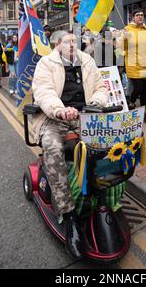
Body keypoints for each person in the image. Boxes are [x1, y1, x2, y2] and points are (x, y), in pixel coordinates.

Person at [32, 30, 108, 258]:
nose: (73, 44)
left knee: (104, 146)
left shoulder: (88, 61)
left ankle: (99, 195)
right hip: (55, 118)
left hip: (85, 117)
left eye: (75, 41)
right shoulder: (46, 63)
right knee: (53, 148)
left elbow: (101, 87)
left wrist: (96, 102)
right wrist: (60, 109)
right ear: (57, 44)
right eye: (68, 41)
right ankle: (69, 214)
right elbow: (43, 91)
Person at [119, 9, 146, 124]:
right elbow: (119, 49)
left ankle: (143, 113)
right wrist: (123, 38)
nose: (140, 17)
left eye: (142, 15)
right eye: (137, 15)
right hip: (133, 65)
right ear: (133, 17)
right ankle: (132, 102)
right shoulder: (127, 30)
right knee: (138, 88)